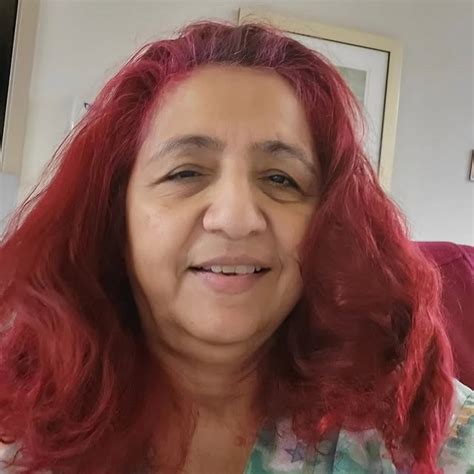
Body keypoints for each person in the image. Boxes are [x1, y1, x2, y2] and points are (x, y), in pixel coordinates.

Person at [0, 20, 472, 474]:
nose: (236, 218)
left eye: (281, 179)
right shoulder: (17, 420)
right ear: (114, 213)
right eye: (186, 172)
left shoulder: (415, 422)